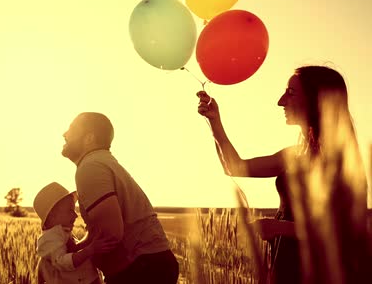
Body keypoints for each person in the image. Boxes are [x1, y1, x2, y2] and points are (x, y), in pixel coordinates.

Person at [196, 65, 369, 284]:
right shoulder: (295, 154)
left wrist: (278, 227)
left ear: (316, 99)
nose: (281, 101)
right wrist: (215, 120)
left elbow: (341, 230)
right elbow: (234, 167)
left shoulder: (340, 159)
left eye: (291, 92)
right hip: (285, 265)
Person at [61, 112, 179, 283]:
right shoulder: (103, 162)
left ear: (89, 138)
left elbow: (111, 233)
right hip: (150, 264)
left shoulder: (90, 167)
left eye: (71, 129)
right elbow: (102, 229)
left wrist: (75, 258)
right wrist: (74, 250)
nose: (64, 134)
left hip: (139, 270)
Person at [33, 181, 111, 284]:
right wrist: (90, 249)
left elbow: (72, 249)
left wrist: (88, 239)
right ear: (52, 216)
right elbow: (63, 262)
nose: (75, 215)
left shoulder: (61, 232)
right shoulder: (50, 239)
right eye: (70, 210)